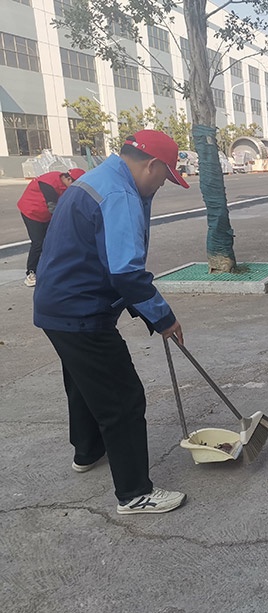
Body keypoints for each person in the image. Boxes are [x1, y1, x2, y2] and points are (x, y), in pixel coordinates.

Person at [33, 130, 191, 515]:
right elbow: (126, 272)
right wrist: (163, 317)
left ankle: (87, 452)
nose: (160, 187)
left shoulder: (94, 179)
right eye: (163, 178)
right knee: (123, 398)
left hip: (56, 307)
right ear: (152, 165)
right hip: (81, 311)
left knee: (84, 383)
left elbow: (103, 258)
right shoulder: (120, 193)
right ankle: (135, 493)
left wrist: (141, 310)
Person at [18, 168, 86, 287]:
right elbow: (53, 209)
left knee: (52, 241)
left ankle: (50, 269)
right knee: (38, 243)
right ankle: (31, 272)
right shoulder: (49, 182)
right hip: (31, 212)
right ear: (69, 178)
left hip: (45, 215)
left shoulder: (67, 185)